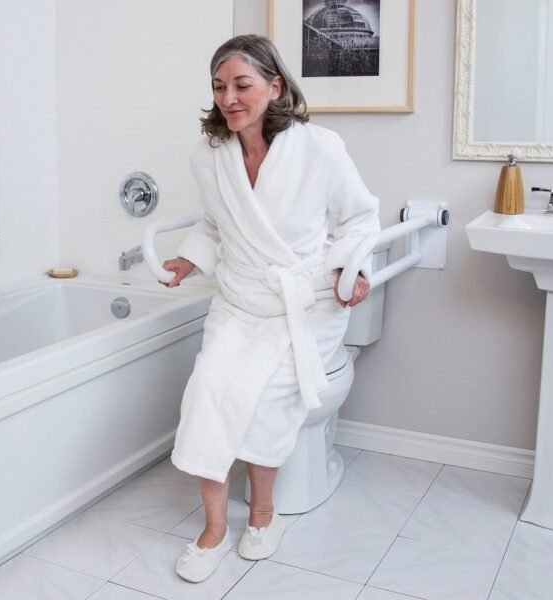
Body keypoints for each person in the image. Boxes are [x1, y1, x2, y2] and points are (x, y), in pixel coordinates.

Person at [162, 34, 380, 583]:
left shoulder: (320, 148)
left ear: (275, 86)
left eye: (242, 84)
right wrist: (189, 258)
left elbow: (358, 219)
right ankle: (213, 529)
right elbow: (214, 224)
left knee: (265, 402)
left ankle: (263, 514)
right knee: (207, 393)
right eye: (219, 87)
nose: (229, 98)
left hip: (303, 306)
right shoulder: (208, 157)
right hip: (239, 299)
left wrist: (353, 271)